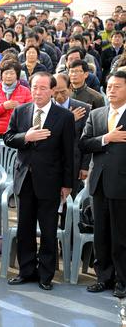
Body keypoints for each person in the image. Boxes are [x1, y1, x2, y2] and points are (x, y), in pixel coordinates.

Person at [4, 72, 74, 291]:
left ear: (52, 90)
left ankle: (45, 274)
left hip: (50, 181)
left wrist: (67, 183)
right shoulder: (21, 111)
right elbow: (8, 138)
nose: (38, 92)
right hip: (24, 179)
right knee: (24, 228)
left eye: (43, 88)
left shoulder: (64, 116)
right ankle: (26, 271)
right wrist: (26, 137)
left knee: (48, 230)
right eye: (35, 87)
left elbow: (68, 154)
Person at [80, 71, 126, 299]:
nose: (111, 90)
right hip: (98, 182)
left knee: (121, 235)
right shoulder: (97, 114)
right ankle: (103, 277)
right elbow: (84, 143)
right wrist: (107, 138)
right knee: (101, 233)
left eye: (117, 86)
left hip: (122, 183)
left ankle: (122, 279)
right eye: (109, 86)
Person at [52, 73, 91, 197]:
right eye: (55, 92)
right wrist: (68, 120)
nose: (59, 96)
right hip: (51, 163)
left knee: (69, 202)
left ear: (70, 88)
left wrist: (85, 166)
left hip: (74, 163)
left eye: (63, 92)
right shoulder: (46, 108)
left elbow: (86, 139)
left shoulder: (83, 109)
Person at [0, 61, 32, 136]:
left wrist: (19, 108)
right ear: (1, 75)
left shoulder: (25, 91)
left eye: (12, 73)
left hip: (18, 132)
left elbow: (31, 111)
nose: (8, 76)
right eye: (6, 73)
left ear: (17, 75)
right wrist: (3, 106)